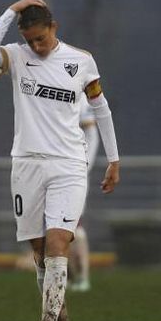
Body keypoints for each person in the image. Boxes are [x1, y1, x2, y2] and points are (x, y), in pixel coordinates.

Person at [0, 0, 120, 321]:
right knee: (40, 254)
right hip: (26, 164)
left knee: (59, 243)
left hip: (69, 164)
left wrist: (113, 159)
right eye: (31, 41)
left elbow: (101, 109)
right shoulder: (17, 56)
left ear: (54, 27)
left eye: (41, 38)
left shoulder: (81, 61)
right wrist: (13, 9)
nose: (36, 47)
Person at [68, 104, 100, 293]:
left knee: (75, 227)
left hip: (73, 170)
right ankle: (69, 277)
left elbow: (92, 133)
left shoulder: (79, 96)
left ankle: (82, 277)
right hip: (51, 166)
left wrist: (83, 165)